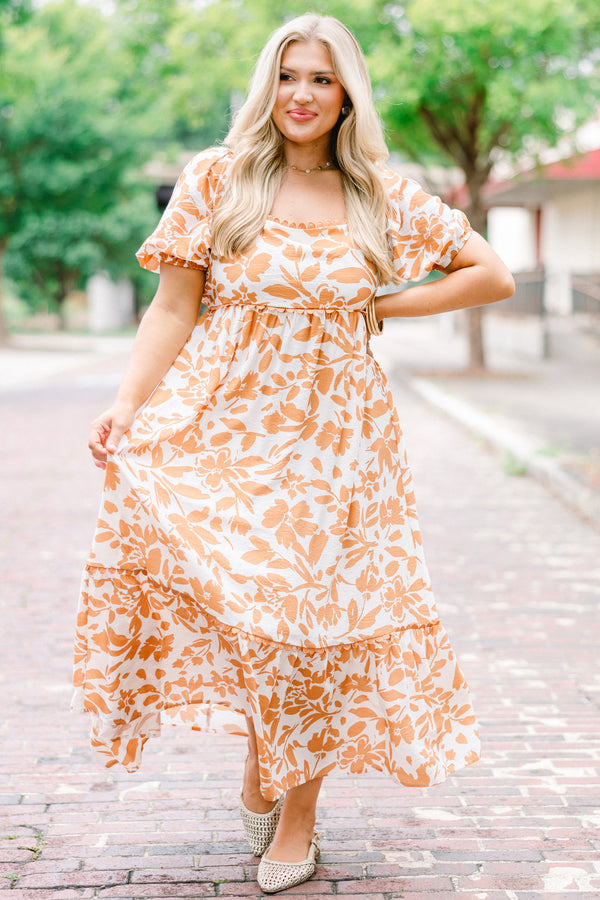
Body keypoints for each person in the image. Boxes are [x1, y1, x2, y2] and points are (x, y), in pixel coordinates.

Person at [74, 12, 514, 895]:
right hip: (227, 430)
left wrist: (378, 306)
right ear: (266, 88)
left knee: (314, 627)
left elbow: (490, 273)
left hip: (339, 445)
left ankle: (298, 816)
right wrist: (127, 404)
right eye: (286, 76)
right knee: (255, 617)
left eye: (320, 78)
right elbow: (173, 307)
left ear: (346, 92)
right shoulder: (219, 177)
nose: (301, 95)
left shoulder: (380, 194)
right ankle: (264, 760)